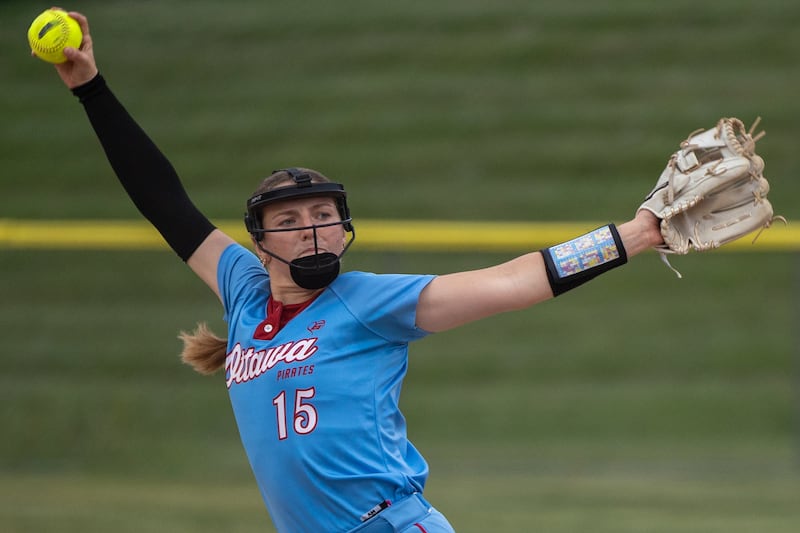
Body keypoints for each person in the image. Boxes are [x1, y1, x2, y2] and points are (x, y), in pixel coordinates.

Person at [46, 11, 664, 533]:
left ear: (344, 228)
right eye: (290, 220)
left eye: (323, 215)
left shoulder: (367, 301)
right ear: (259, 242)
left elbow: (516, 281)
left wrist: (636, 234)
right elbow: (162, 201)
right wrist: (90, 88)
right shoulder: (243, 291)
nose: (312, 228)